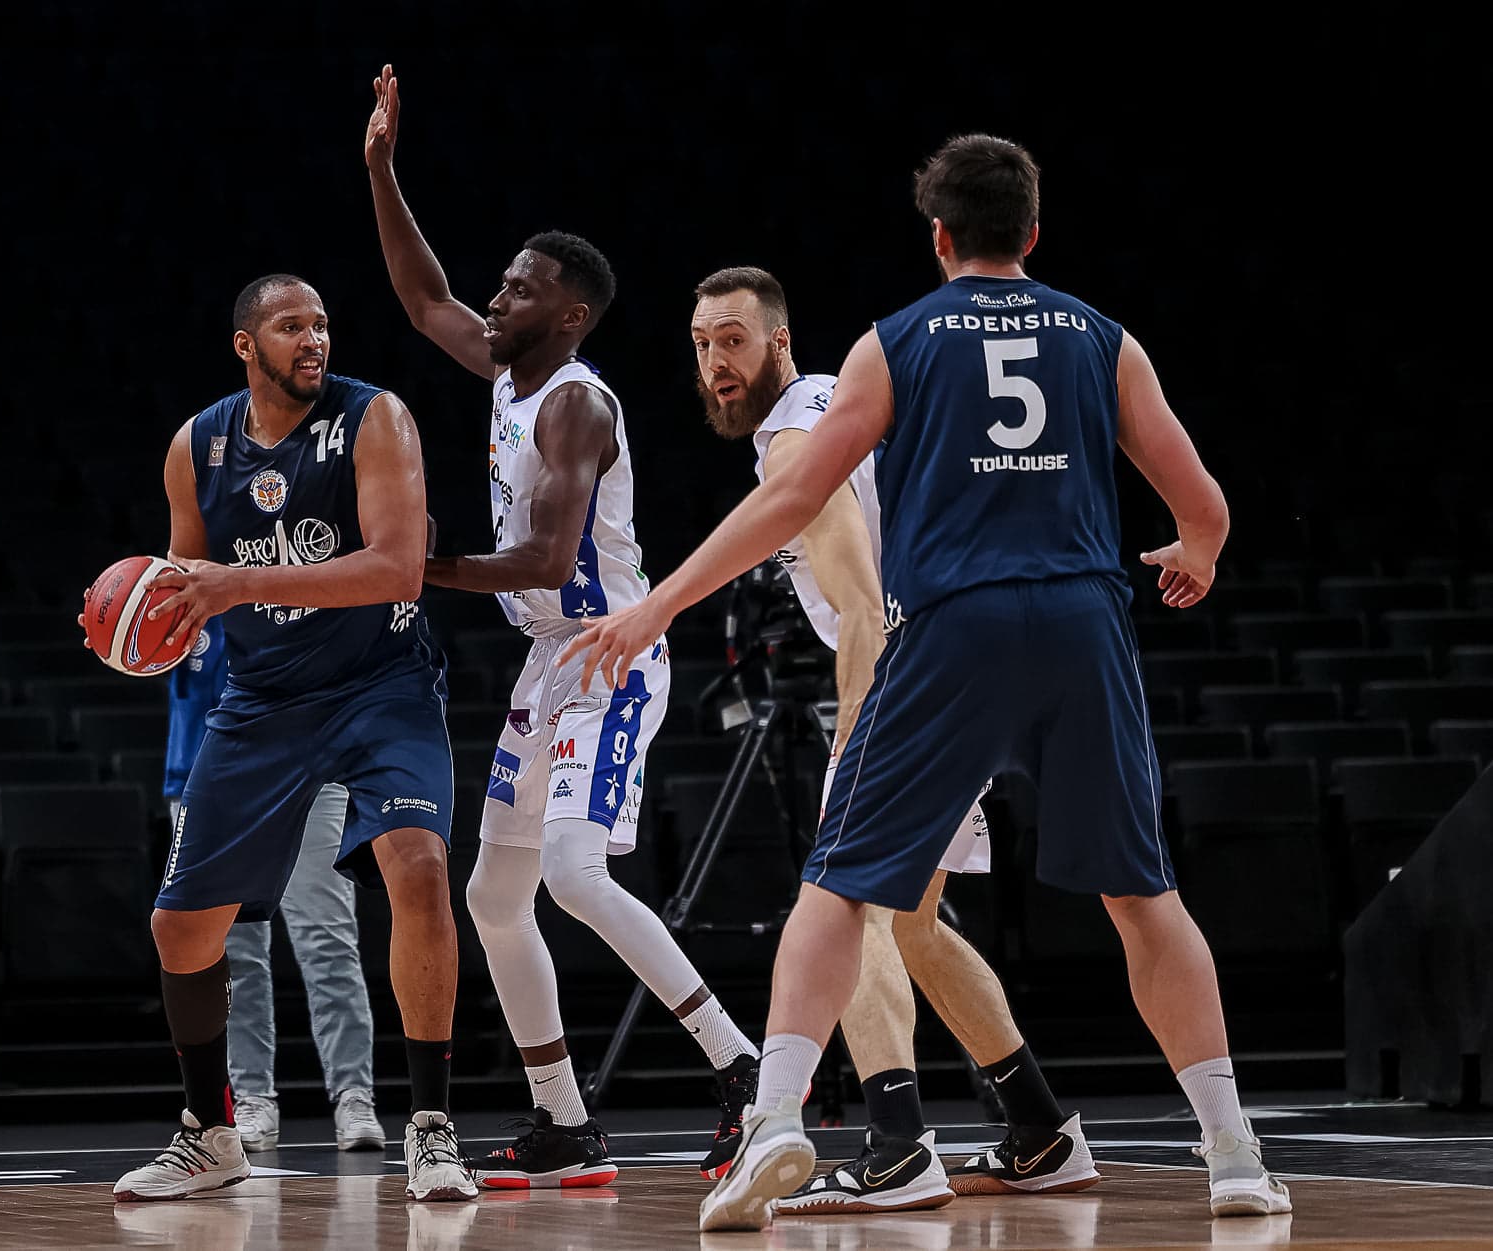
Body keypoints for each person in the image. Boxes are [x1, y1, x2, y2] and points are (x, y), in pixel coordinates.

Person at [564, 135, 1293, 1231]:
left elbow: (792, 500)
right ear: (1034, 233)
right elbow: (1204, 499)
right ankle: (1233, 1153)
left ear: (940, 237)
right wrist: (1195, 554)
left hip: (951, 632)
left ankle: (775, 1124)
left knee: (837, 889)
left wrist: (656, 604)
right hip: (1086, 622)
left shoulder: (895, 343)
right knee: (1144, 900)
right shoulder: (1104, 337)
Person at [363, 63, 761, 1189]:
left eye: (520, 288)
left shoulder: (577, 399)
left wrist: (413, 563)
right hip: (550, 660)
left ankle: (741, 1069)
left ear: (569, 315)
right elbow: (417, 296)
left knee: (576, 876)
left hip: (612, 650)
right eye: (502, 282)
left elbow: (544, 558)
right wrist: (383, 168)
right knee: (495, 895)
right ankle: (565, 1121)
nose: (496, 297)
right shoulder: (503, 372)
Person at [690, 264, 1098, 1214]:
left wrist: (858, 738)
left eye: (733, 340)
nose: (715, 361)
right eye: (702, 344)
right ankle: (1041, 1130)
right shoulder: (840, 402)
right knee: (910, 920)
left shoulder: (796, 430)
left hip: (909, 682)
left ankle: (897, 1143)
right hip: (960, 663)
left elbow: (860, 603)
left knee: (856, 905)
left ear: (778, 340)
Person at [103, 273, 476, 1204]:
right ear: (246, 344)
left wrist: (235, 583)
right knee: (179, 924)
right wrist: (147, 616)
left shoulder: (374, 418)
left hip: (381, 682)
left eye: (320, 324)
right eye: (290, 325)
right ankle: (209, 1132)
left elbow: (397, 570)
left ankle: (429, 1127)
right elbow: (191, 571)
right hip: (265, 697)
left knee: (419, 869)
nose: (312, 339)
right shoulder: (198, 444)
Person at [162, 616, 387, 1155]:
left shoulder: (300, 557)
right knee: (231, 954)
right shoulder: (173, 579)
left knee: (327, 938)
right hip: (207, 772)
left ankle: (355, 1095)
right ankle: (252, 1097)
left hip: (309, 768)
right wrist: (115, 630)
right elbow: (139, 649)